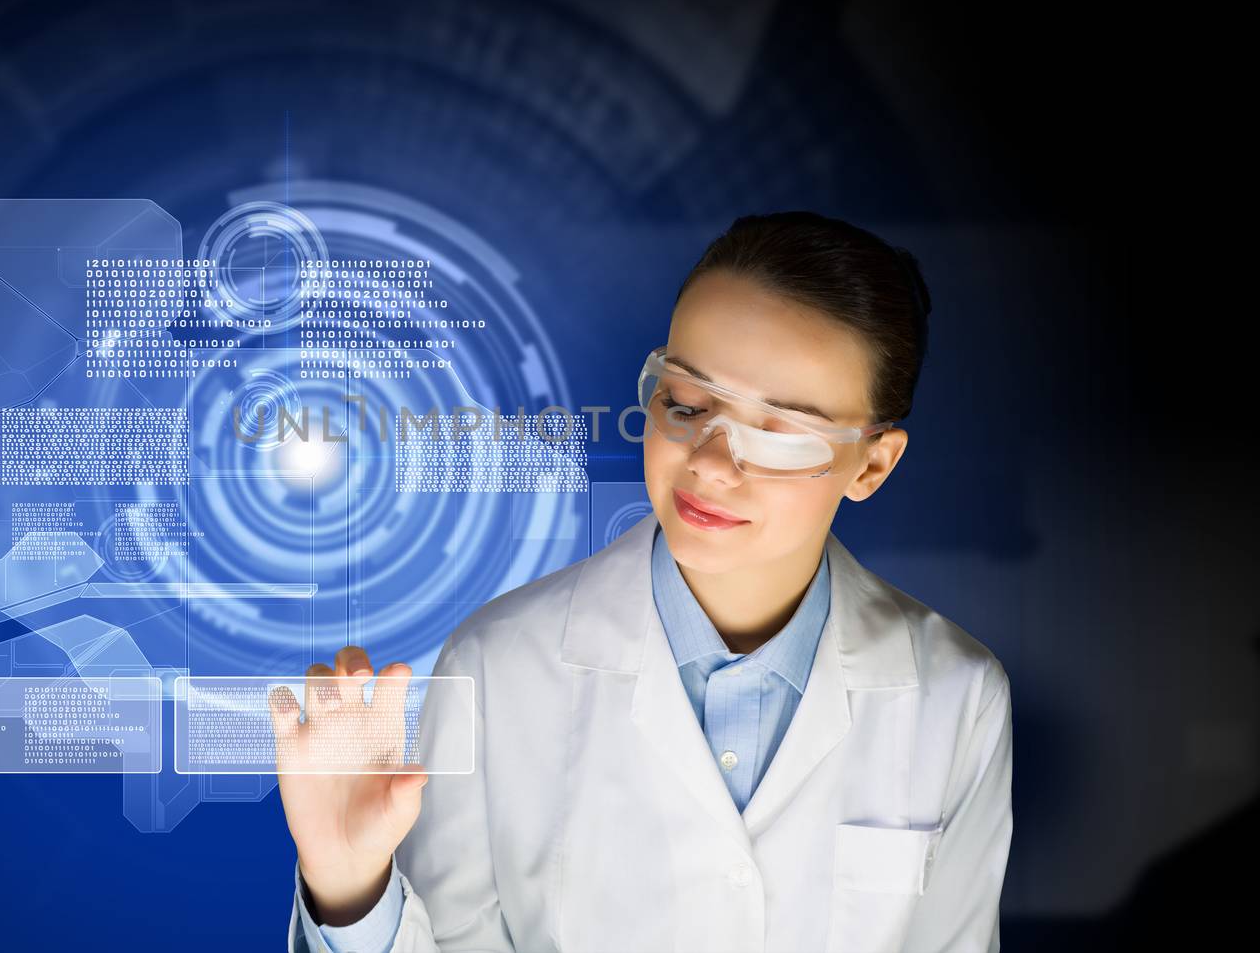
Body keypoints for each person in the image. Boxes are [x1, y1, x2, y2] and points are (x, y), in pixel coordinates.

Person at [271, 211, 1014, 952]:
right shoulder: (498, 664)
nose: (713, 463)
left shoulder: (955, 696)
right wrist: (350, 889)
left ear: (873, 464)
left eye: (783, 434)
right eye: (687, 404)